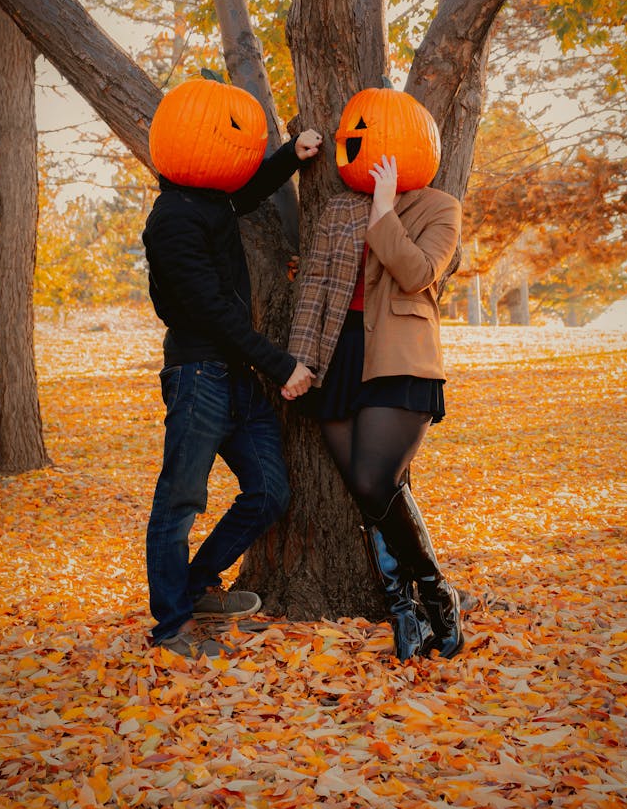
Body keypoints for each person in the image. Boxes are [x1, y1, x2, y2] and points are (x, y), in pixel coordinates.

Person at [143, 102, 322, 658]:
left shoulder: (209, 202)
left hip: (235, 375)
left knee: (270, 491)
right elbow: (212, 311)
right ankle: (171, 627)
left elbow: (244, 194)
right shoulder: (171, 217)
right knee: (179, 503)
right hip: (198, 374)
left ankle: (196, 586)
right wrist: (283, 365)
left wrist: (290, 156)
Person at [285, 111, 465, 662]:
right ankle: (404, 613)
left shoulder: (440, 208)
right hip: (339, 358)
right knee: (369, 496)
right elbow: (313, 285)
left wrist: (385, 209)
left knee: (374, 478)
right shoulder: (339, 207)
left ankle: (437, 593)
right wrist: (299, 360)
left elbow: (416, 272)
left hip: (400, 357)